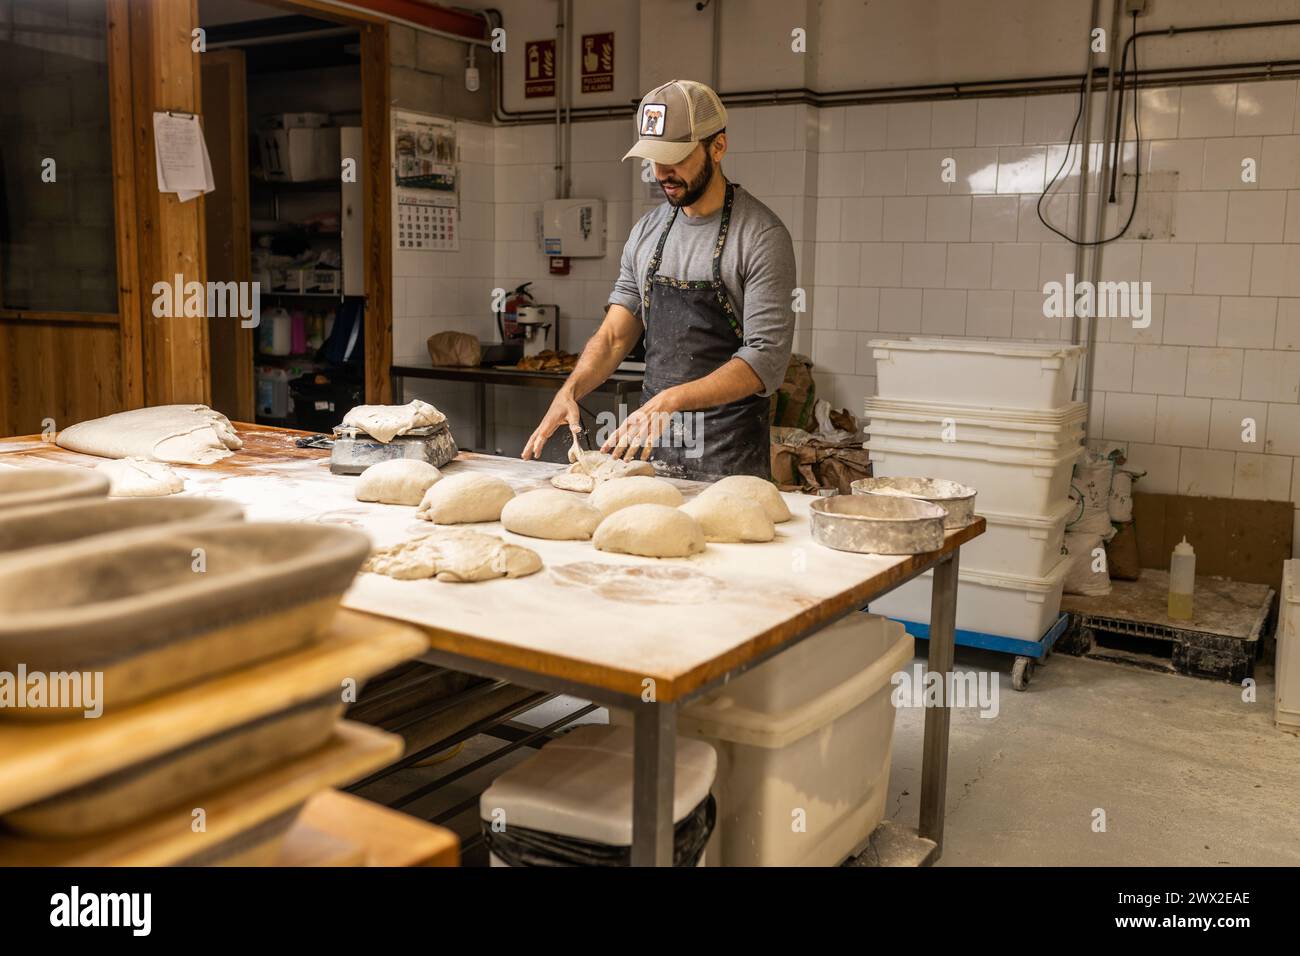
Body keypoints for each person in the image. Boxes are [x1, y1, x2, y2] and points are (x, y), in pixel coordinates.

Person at [522, 79, 796, 479]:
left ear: (717, 147)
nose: (662, 172)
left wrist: (673, 400)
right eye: (653, 159)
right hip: (650, 445)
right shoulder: (647, 232)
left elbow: (765, 360)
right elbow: (616, 335)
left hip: (727, 457)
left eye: (676, 157)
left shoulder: (759, 236)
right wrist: (572, 389)